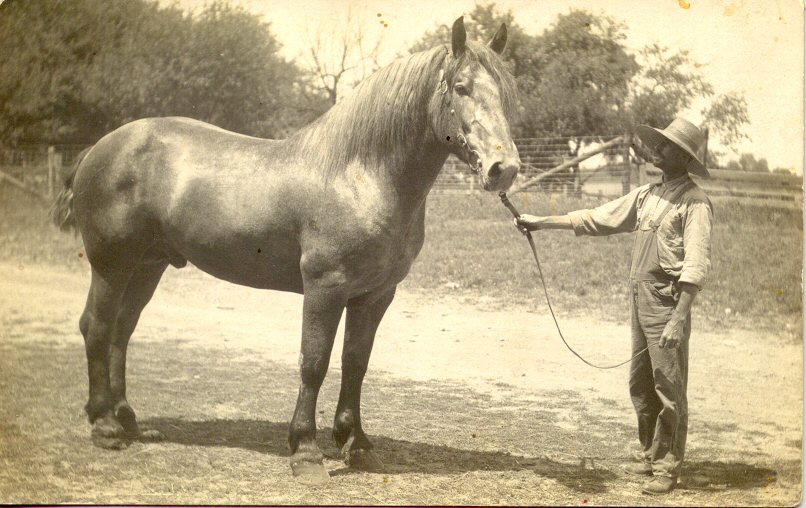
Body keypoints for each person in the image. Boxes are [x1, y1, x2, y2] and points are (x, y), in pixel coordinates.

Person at [515, 118, 713, 495]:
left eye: (668, 147)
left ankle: (668, 468)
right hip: (640, 298)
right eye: (660, 144)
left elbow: (695, 266)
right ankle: (650, 454)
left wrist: (678, 318)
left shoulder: (695, 203)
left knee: (668, 386)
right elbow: (598, 218)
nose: (659, 150)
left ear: (685, 159)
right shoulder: (646, 195)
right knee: (640, 385)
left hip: (667, 302)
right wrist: (540, 222)